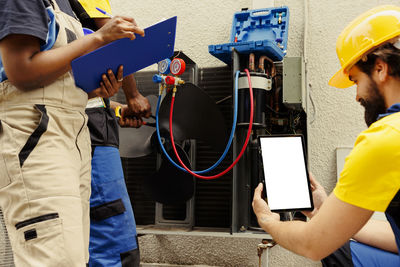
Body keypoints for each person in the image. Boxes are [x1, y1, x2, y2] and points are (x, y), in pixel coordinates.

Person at [252, 5, 400, 266]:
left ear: (380, 68)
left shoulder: (387, 138)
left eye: (355, 80)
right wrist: (326, 214)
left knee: (332, 249)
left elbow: (313, 244)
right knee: (339, 245)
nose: (357, 96)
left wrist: (268, 222)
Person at [0, 0, 144, 266]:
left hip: (73, 132)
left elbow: (55, 74)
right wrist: (99, 38)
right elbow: (20, 71)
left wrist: (95, 89)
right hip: (36, 132)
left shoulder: (64, 5)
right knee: (54, 257)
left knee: (76, 255)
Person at [68, 1, 151, 266]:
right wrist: (133, 94)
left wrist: (117, 110)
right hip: (89, 131)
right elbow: (114, 39)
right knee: (113, 238)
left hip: (88, 120)